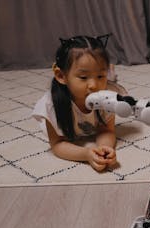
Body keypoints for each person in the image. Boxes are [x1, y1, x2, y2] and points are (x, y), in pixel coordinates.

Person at [32, 35, 118, 172]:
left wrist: (104, 148)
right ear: (61, 76)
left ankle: (110, 72)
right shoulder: (51, 105)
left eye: (100, 76)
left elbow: (106, 130)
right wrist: (86, 154)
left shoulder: (108, 97)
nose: (94, 85)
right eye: (83, 77)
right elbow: (57, 144)